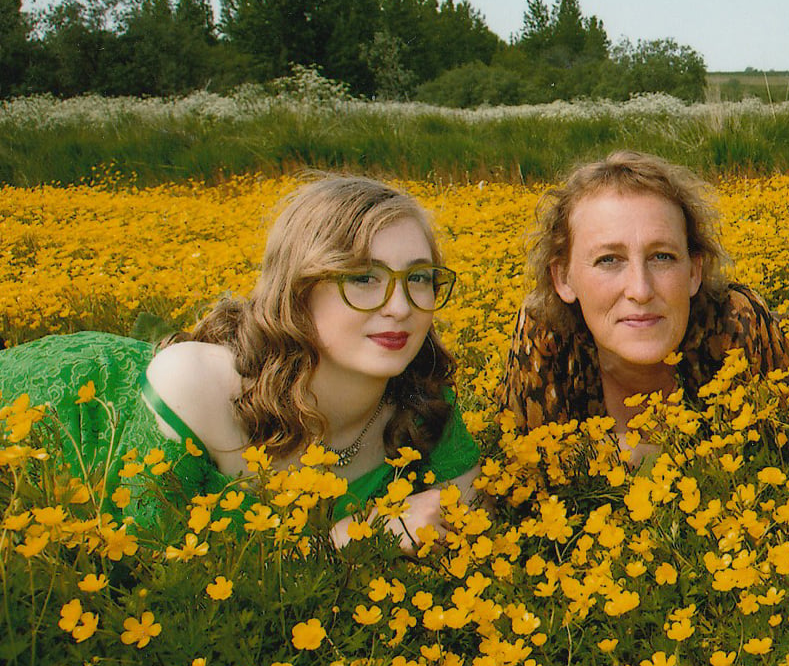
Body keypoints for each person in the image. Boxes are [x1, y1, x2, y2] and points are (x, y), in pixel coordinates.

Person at [0, 175, 480, 545]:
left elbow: (467, 507)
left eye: (419, 277)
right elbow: (148, 562)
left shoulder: (424, 400)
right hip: (53, 402)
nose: (400, 307)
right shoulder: (195, 385)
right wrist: (359, 534)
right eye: (362, 278)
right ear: (297, 290)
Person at [498, 151, 789, 453]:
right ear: (563, 278)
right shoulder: (546, 336)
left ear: (694, 272)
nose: (640, 290)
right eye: (608, 260)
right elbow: (525, 475)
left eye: (662, 257)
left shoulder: (736, 324)